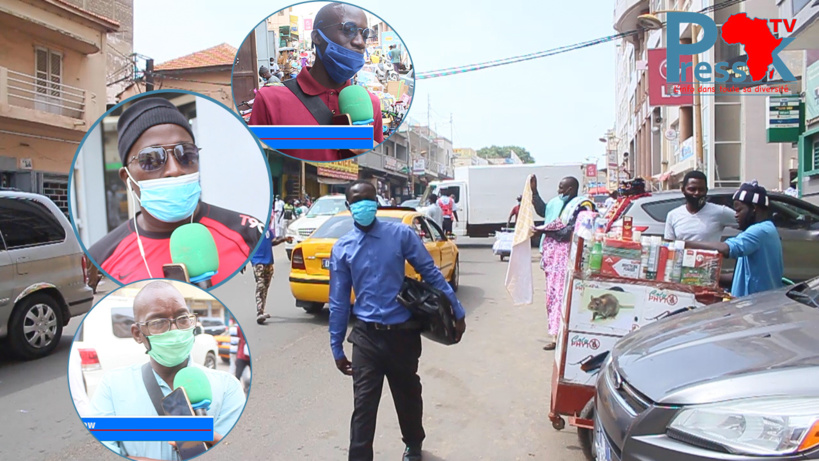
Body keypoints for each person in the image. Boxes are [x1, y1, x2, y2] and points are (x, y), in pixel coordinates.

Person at [329, 180, 466, 461]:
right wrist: (336, 346)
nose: (363, 205)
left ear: (377, 202)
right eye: (356, 201)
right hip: (366, 337)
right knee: (364, 405)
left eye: (368, 199)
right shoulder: (342, 248)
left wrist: (457, 310)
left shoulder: (400, 234)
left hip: (402, 335)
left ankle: (413, 444)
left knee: (408, 396)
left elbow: (431, 273)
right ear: (348, 207)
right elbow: (339, 302)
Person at [88, 97, 262, 285]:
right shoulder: (100, 258)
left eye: (186, 154)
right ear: (127, 177)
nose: (174, 169)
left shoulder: (249, 234)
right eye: (151, 159)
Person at [89, 281, 245, 461]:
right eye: (158, 322)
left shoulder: (227, 387)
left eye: (182, 318)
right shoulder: (112, 386)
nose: (175, 330)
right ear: (138, 334)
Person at [249, 3, 384, 162]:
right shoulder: (270, 100)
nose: (361, 42)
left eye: (365, 34)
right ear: (317, 37)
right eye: (349, 30)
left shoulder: (371, 104)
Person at [684, 181, 784, 297]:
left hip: (756, 306)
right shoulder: (765, 229)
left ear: (754, 208)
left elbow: (728, 249)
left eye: (739, 210)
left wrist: (685, 244)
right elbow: (741, 275)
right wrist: (705, 278)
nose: (735, 215)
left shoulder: (760, 230)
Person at [531, 176, 595, 350]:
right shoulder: (558, 203)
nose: (559, 191)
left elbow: (568, 232)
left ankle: (560, 336)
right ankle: (556, 334)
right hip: (552, 258)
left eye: (562, 188)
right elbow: (544, 212)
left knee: (562, 296)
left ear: (571, 189)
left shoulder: (582, 206)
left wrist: (544, 231)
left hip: (566, 258)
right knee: (553, 296)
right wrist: (534, 193)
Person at [664, 171, 736, 242]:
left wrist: (733, 246)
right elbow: (669, 247)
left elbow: (746, 225)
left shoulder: (720, 212)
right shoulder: (673, 215)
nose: (697, 193)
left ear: (706, 191)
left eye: (701, 189)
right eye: (692, 189)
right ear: (683, 190)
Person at [251, 218, 292, 324]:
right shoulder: (253, 229)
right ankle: (259, 312)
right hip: (258, 261)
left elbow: (272, 241)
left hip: (269, 261)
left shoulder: (268, 230)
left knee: (265, 287)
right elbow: (246, 245)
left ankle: (262, 310)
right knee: (260, 286)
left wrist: (284, 239)